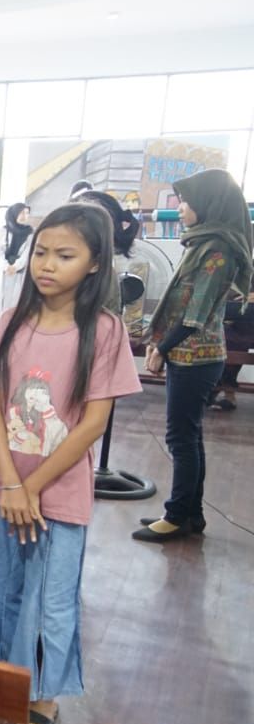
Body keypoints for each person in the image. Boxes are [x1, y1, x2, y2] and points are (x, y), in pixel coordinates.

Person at [0, 203, 140, 724]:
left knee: (49, 595)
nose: (47, 264)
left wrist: (33, 487)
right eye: (41, 251)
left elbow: (93, 424)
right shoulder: (14, 321)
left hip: (58, 491)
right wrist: (13, 483)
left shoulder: (105, 331)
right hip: (4, 481)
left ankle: (39, 694)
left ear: (93, 264)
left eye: (65, 255)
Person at [136, 169, 252, 542]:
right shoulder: (203, 243)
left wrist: (160, 349)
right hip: (189, 355)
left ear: (207, 203)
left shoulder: (218, 250)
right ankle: (190, 514)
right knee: (188, 436)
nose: (181, 208)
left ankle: (176, 515)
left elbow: (195, 314)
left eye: (185, 201)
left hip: (195, 357)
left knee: (181, 438)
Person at [0, 203, 33, 344]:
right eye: (22, 213)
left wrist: (16, 266)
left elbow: (28, 253)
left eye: (27, 213)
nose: (25, 216)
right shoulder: (3, 230)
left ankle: (12, 337)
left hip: (20, 273)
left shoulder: (30, 233)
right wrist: (6, 266)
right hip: (3, 272)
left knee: (16, 304)